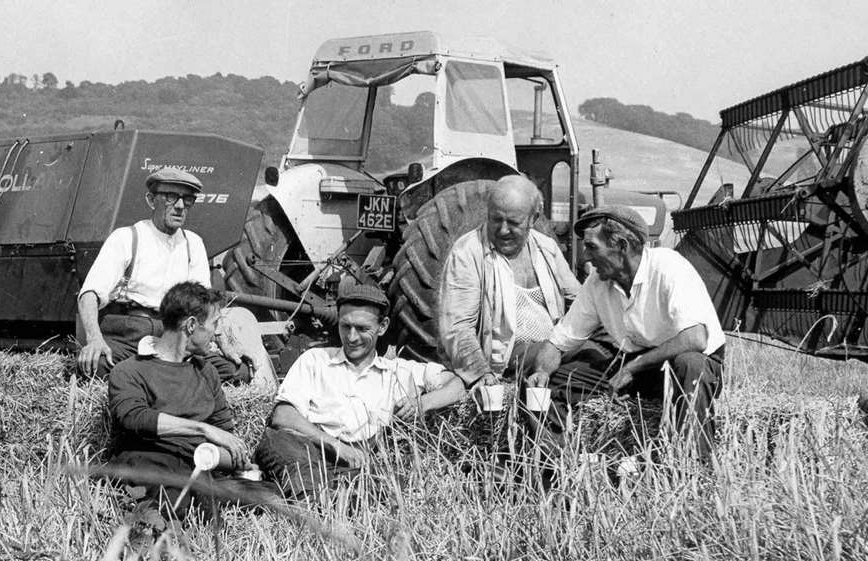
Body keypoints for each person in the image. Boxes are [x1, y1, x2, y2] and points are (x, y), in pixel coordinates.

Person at [526, 206, 726, 461]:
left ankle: (693, 468)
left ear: (621, 245)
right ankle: (556, 466)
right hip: (638, 365)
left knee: (690, 363)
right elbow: (559, 342)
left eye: (592, 247)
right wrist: (542, 370)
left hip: (688, 365)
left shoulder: (668, 267)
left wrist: (632, 368)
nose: (585, 257)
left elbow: (695, 338)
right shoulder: (597, 282)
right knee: (553, 382)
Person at [254, 280, 465, 498]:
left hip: (360, 463)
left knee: (390, 483)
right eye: (345, 326)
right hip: (310, 450)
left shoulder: (398, 371)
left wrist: (422, 403)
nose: (352, 337)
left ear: (382, 327)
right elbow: (283, 416)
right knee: (278, 442)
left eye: (363, 329)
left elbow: (457, 385)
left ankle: (313, 499)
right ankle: (317, 501)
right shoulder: (315, 360)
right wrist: (336, 446)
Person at [76, 166, 271, 384]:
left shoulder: (193, 244)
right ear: (151, 200)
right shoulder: (126, 238)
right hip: (129, 333)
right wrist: (94, 339)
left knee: (238, 371)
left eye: (187, 200)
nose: (180, 206)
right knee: (98, 366)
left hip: (175, 337)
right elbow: (89, 294)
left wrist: (223, 343)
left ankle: (162, 381)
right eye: (171, 197)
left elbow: (205, 304)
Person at [106, 282, 269, 524]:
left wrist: (231, 457)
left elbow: (225, 433)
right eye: (214, 324)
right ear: (192, 325)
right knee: (175, 501)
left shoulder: (207, 371)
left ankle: (205, 500)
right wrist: (203, 429)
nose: (216, 334)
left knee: (271, 497)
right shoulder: (129, 371)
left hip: (200, 466)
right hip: (152, 462)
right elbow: (135, 417)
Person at [437, 174, 581, 396]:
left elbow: (580, 304)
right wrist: (482, 374)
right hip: (507, 362)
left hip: (551, 351)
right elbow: (457, 328)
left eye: (513, 223)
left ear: (534, 218)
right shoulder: (468, 252)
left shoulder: (547, 248)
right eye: (496, 219)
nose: (503, 230)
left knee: (594, 353)